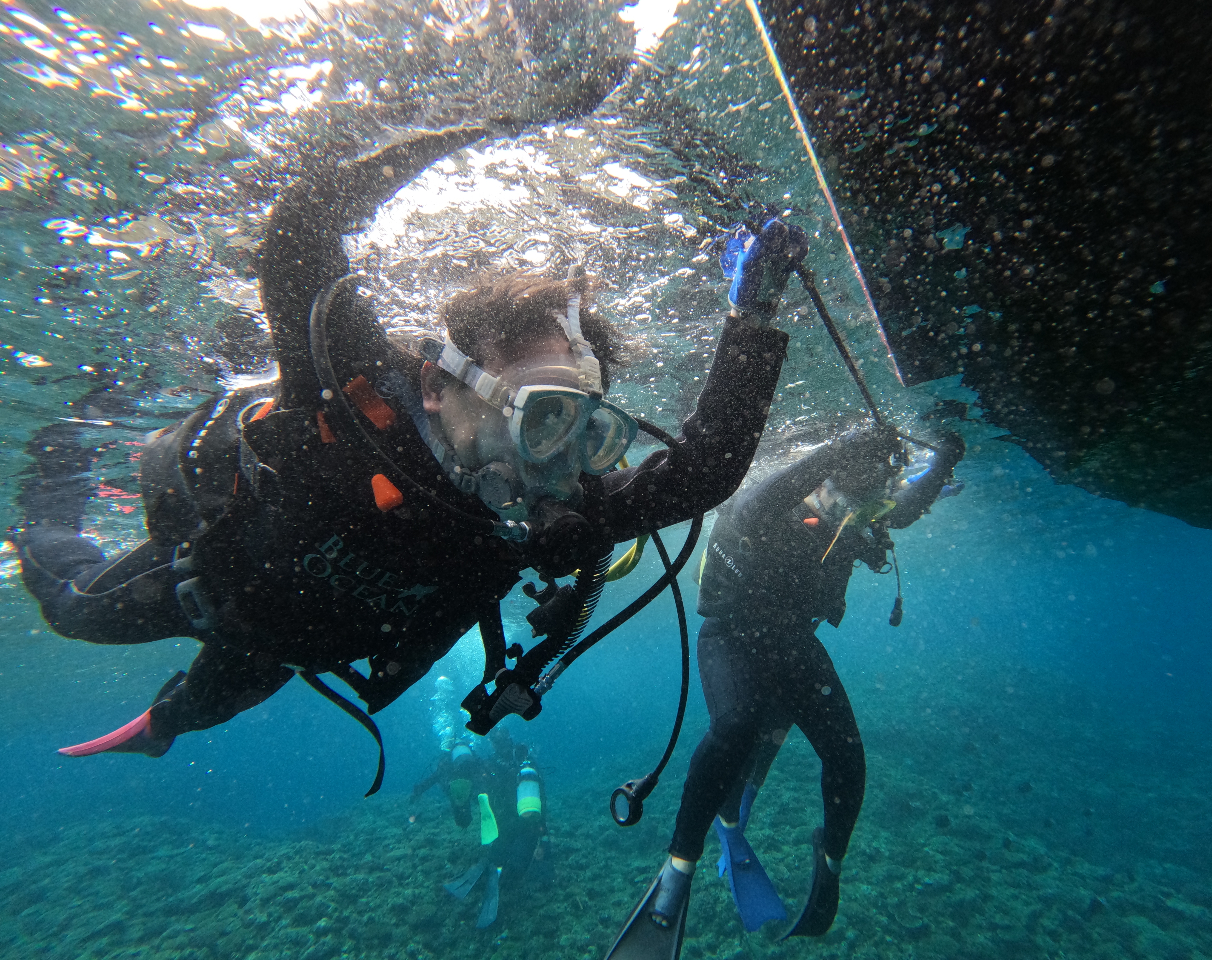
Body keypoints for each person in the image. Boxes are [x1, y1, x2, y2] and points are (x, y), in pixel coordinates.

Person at [12, 98, 809, 786]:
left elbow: (703, 471)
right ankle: (50, 482)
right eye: (539, 417)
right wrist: (507, 110)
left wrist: (756, 311)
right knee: (76, 611)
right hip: (213, 581)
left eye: (583, 428)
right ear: (436, 385)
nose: (557, 464)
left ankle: (163, 726)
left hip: (290, 651)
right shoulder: (362, 394)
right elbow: (300, 229)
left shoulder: (554, 508)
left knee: (205, 704)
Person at [606, 426, 965, 958]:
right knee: (737, 726)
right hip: (730, 638)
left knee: (846, 754)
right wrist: (842, 448)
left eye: (861, 508)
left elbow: (905, 509)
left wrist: (943, 462)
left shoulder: (854, 512)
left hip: (793, 646)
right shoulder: (770, 504)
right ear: (824, 481)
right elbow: (772, 488)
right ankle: (678, 868)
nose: (852, 514)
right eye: (841, 498)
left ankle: (829, 860)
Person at [412, 720, 547, 928]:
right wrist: (543, 836)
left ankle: (496, 867)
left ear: (493, 743)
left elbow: (479, 793)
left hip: (508, 826)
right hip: (521, 825)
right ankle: (497, 867)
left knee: (509, 867)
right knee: (509, 866)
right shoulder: (523, 762)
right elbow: (540, 803)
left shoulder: (492, 764)